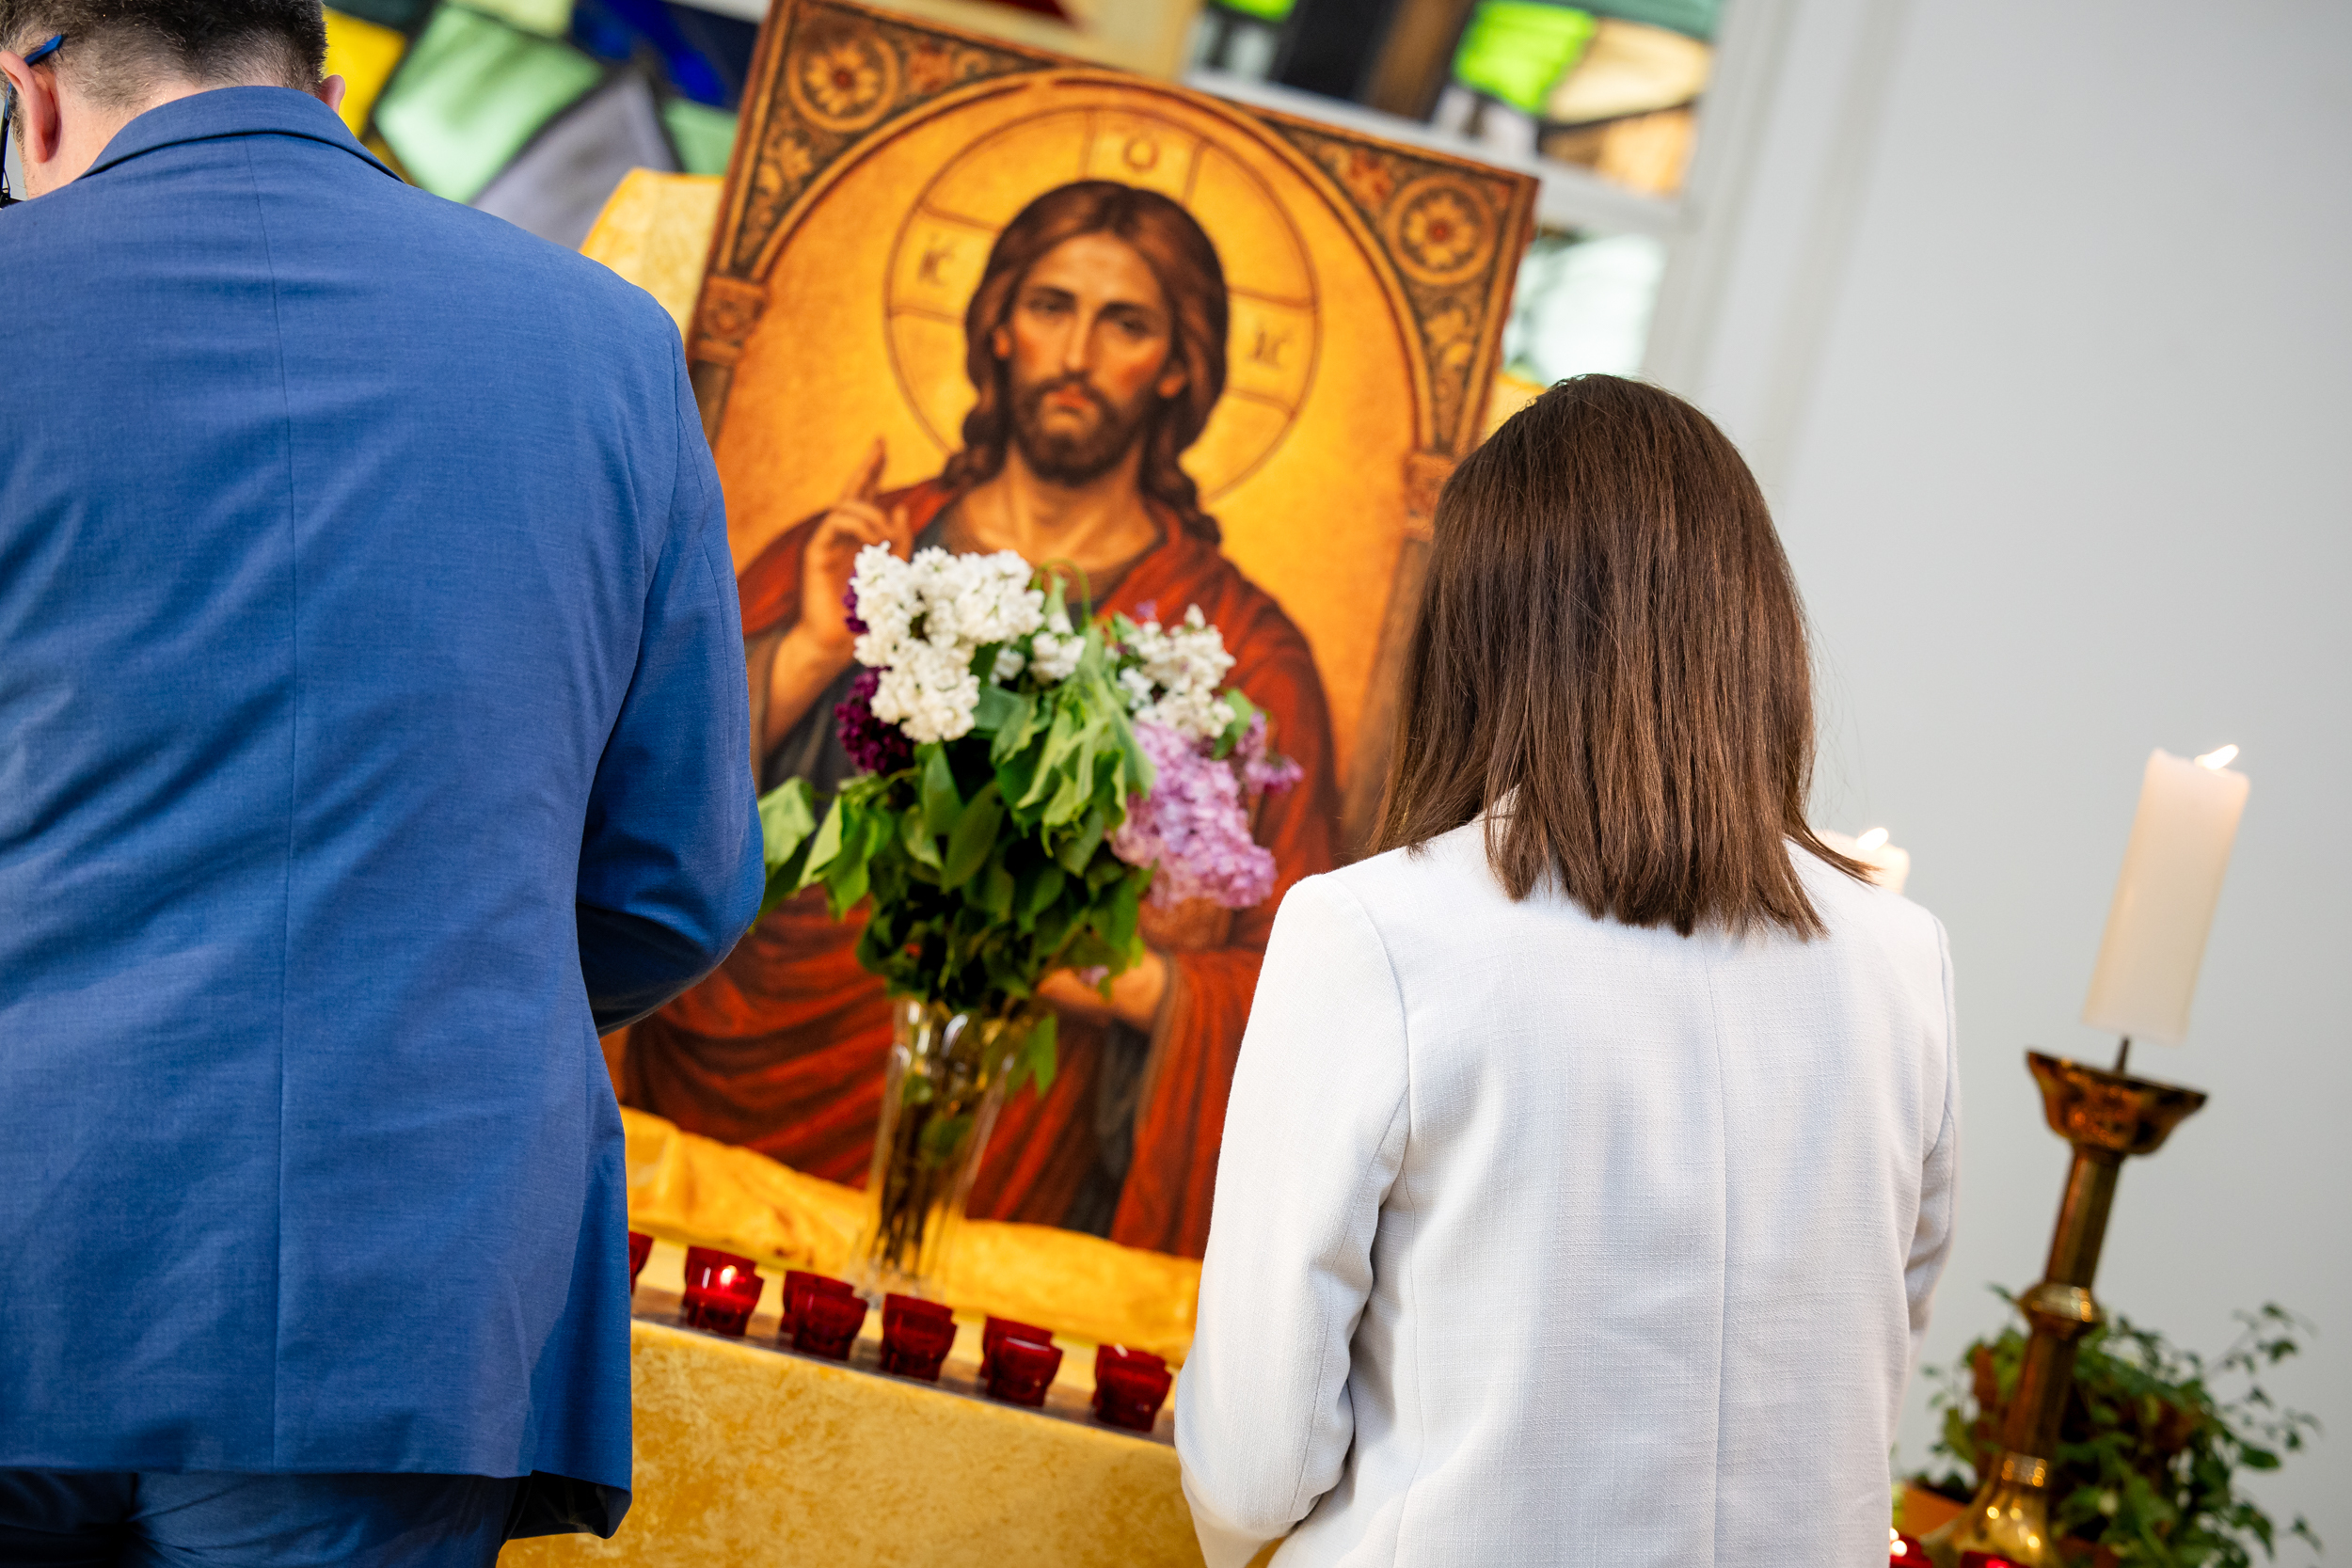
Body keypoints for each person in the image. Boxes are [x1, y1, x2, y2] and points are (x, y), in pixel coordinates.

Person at [0, 3, 763, 1561]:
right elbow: (680, 881)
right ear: (326, 84)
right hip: (402, 1270)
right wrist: (432, 990)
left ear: (35, 91)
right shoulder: (610, 351)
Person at [1175, 375, 1960, 1565]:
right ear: (1750, 625)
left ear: (1477, 629)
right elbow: (1868, 1355)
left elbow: (1253, 1461)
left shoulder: (1376, 930)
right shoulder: (1902, 957)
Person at [624, 180, 1341, 1257]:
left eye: (1126, 323)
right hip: (731, 1103)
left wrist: (1130, 982)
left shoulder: (1242, 645)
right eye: (1051, 307)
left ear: (1178, 365)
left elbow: (1299, 982)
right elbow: (648, 788)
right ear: (999, 326)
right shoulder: (858, 553)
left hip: (1023, 1162)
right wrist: (813, 645)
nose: (1076, 354)